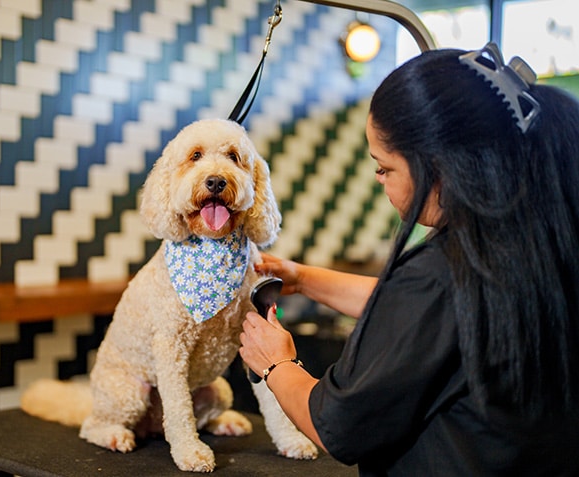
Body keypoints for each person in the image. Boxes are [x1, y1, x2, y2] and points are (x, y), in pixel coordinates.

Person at [239, 43, 579, 476]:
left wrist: (277, 362)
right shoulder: (535, 239)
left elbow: (336, 427)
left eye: (383, 169)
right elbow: (427, 316)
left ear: (436, 166)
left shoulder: (444, 271)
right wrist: (303, 279)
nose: (380, 182)